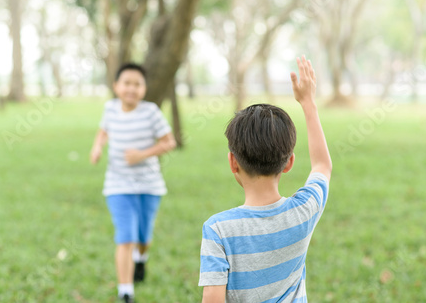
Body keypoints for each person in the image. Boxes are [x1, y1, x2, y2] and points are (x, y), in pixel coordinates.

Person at [199, 56, 332, 302]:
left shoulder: (218, 230)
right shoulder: (304, 210)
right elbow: (323, 165)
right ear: (289, 163)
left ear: (233, 162)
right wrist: (308, 103)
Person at [90, 63, 176, 303]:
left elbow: (169, 142)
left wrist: (142, 154)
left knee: (143, 237)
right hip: (117, 185)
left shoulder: (151, 112)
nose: (131, 88)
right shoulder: (110, 109)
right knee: (125, 236)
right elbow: (103, 131)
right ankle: (126, 290)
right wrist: (97, 147)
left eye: (137, 84)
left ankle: (141, 259)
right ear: (116, 86)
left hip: (149, 185)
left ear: (144, 88)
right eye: (126, 83)